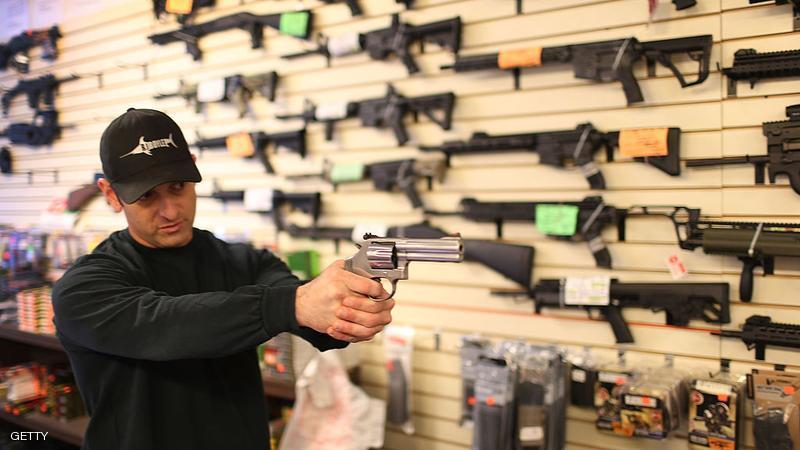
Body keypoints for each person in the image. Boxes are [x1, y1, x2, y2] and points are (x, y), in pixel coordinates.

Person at [52, 108, 395, 450]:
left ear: (193, 167)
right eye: (146, 196)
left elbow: (311, 318)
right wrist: (294, 304)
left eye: (177, 187)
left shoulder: (245, 262)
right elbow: (166, 325)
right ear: (111, 194)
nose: (170, 210)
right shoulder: (83, 289)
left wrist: (346, 309)